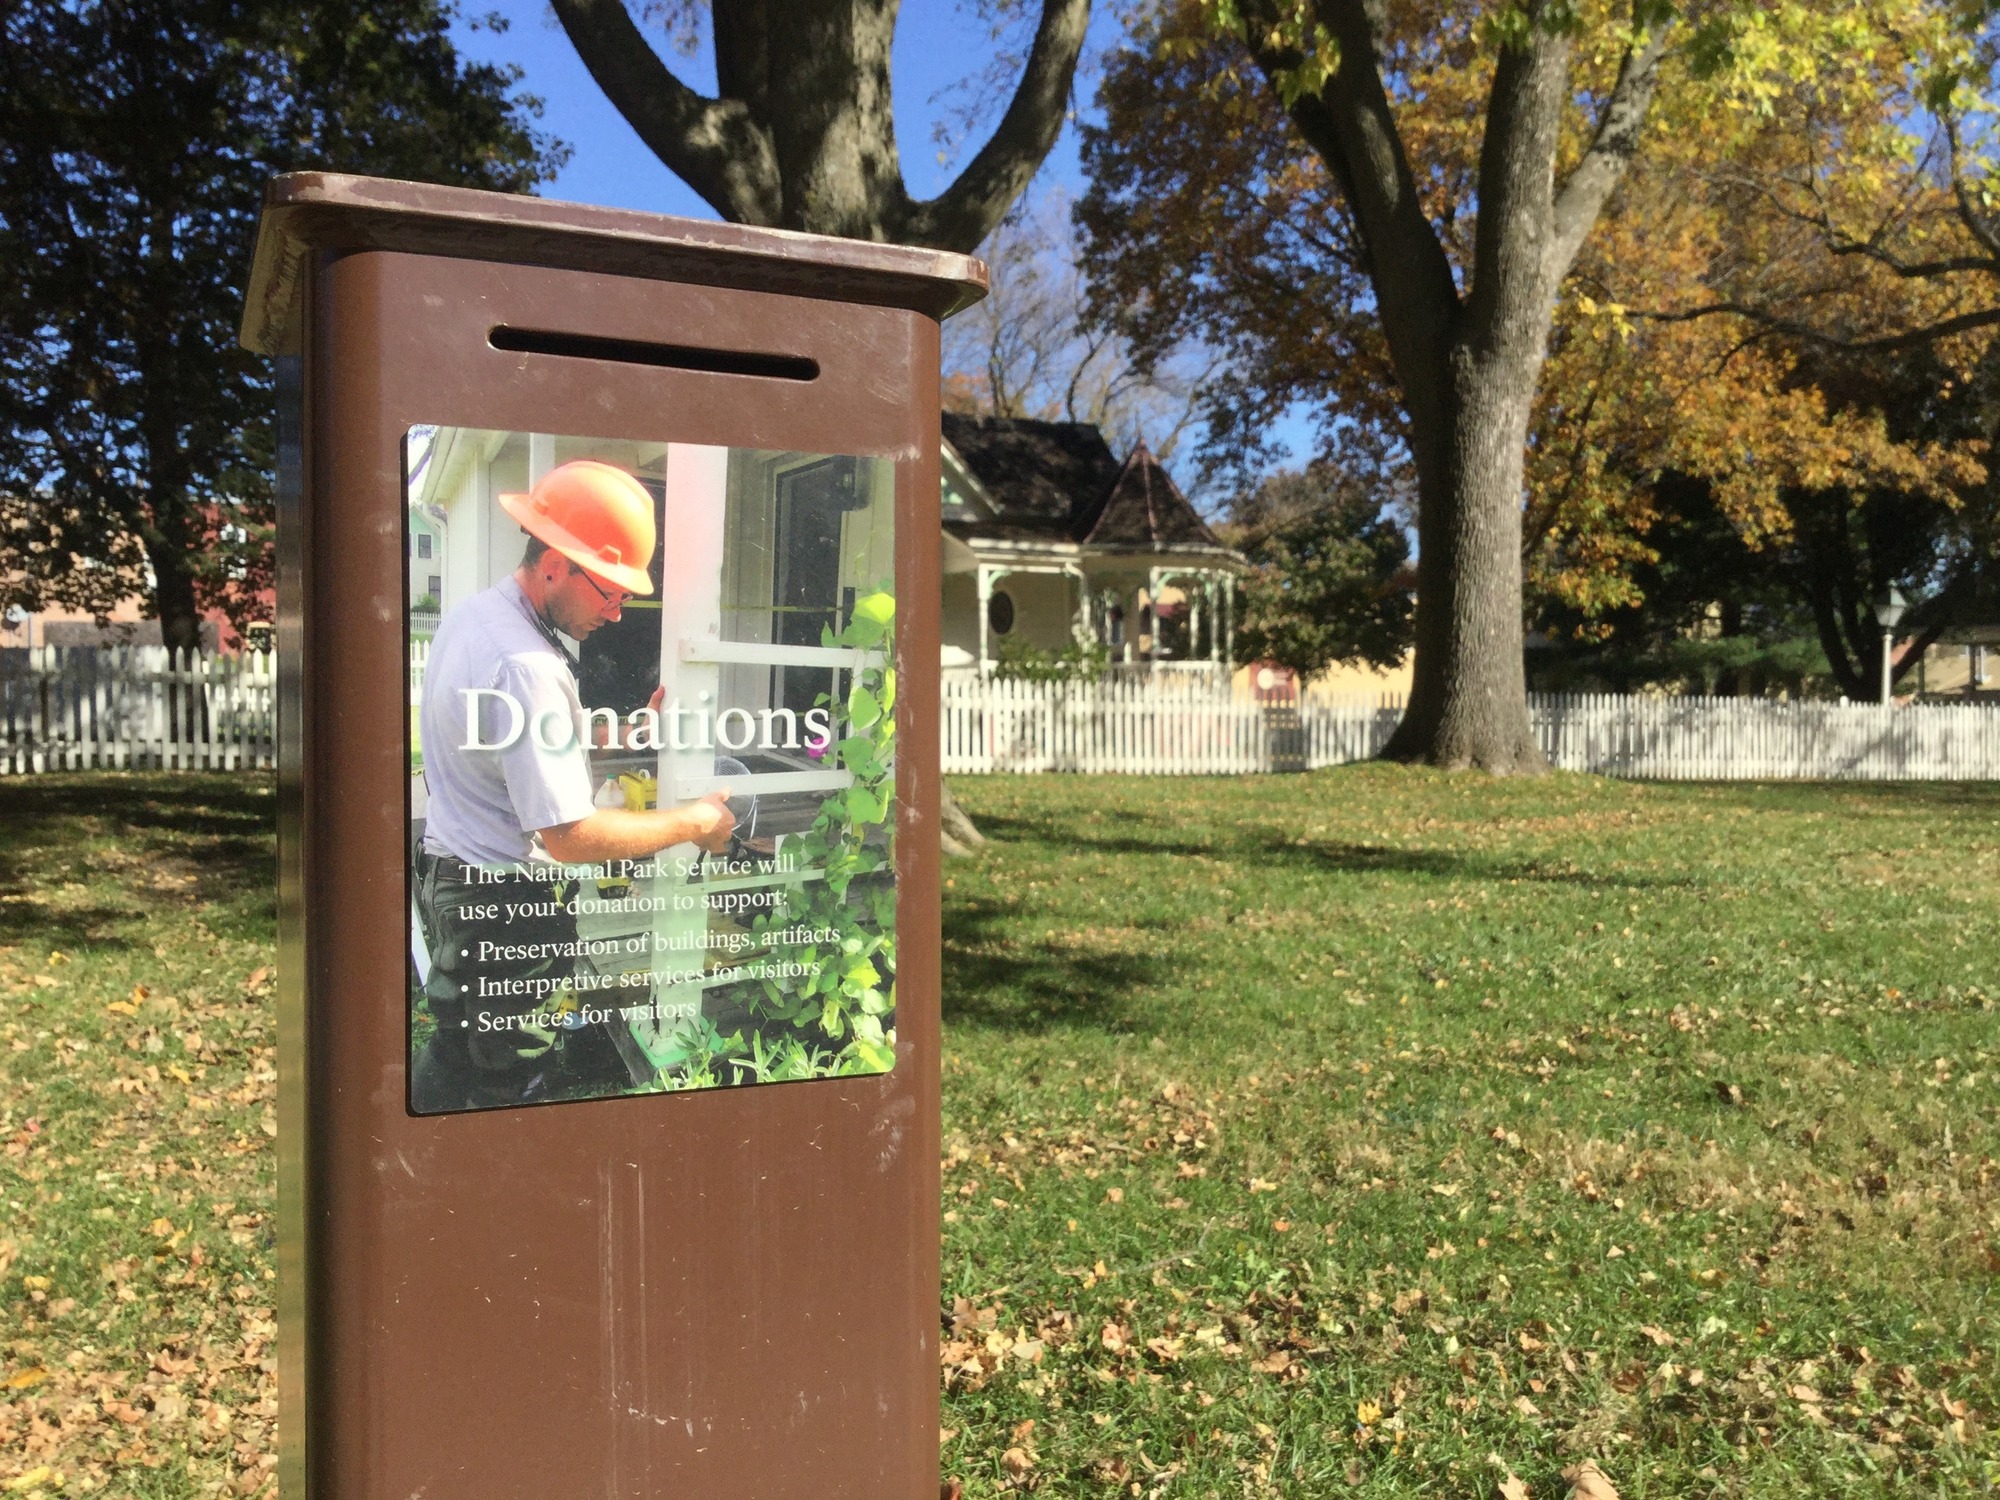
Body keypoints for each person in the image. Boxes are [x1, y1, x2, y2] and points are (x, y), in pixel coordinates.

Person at [411, 459, 735, 1112]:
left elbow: (521, 740)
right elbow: (571, 837)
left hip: (454, 878)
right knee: (513, 1087)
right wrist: (697, 823)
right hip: (505, 910)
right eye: (610, 590)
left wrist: (629, 735)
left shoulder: (477, 618)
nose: (619, 612)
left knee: (454, 1055)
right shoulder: (527, 665)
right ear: (556, 561)